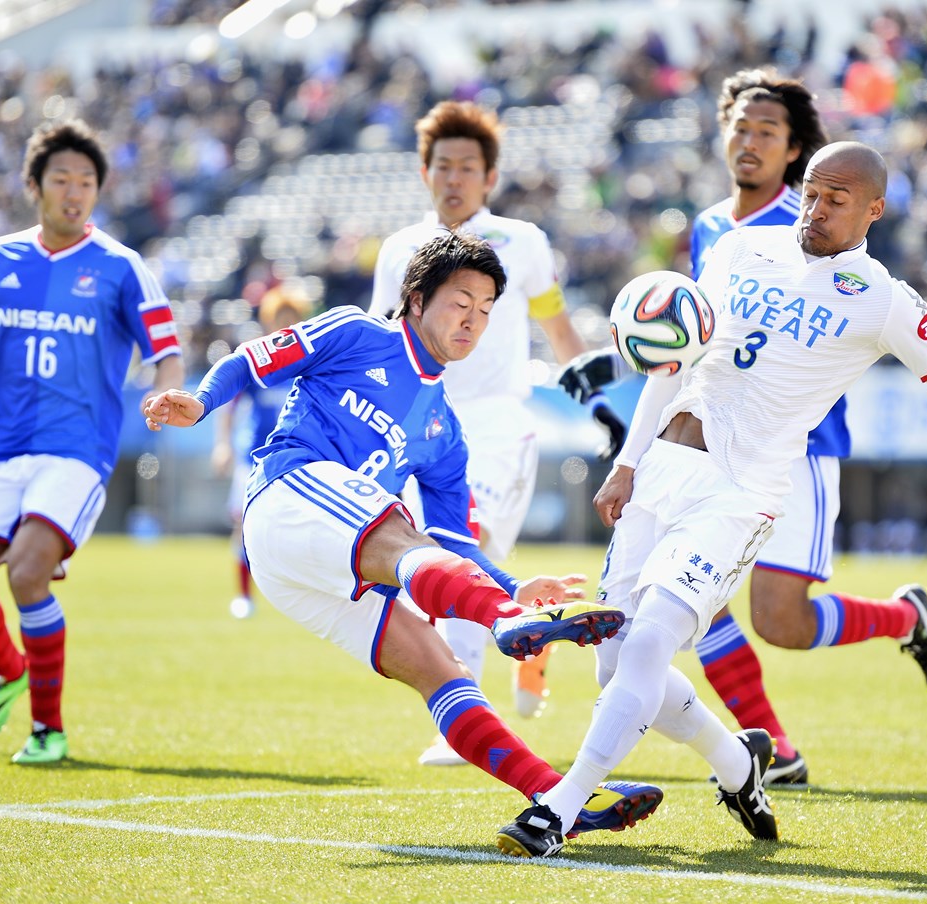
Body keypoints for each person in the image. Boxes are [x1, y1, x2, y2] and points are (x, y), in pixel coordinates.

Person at [496, 141, 927, 858]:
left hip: (739, 495)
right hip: (665, 471)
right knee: (617, 662)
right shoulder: (742, 249)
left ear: (875, 208)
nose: (817, 207)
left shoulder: (882, 301)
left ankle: (557, 808)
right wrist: (628, 460)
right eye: (811, 191)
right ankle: (738, 762)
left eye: (837, 198)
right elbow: (676, 358)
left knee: (649, 642)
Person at [144, 231, 662, 838]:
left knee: (438, 664)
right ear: (416, 299)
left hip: (318, 569)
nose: (473, 322)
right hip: (287, 497)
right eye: (461, 303)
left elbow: (456, 546)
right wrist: (202, 403)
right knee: (396, 527)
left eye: (487, 312)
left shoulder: (445, 432)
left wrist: (515, 587)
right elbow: (251, 360)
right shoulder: (358, 333)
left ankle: (560, 797)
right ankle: (502, 623)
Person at [563, 69, 927, 791]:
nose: (749, 141)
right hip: (708, 450)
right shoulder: (713, 225)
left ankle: (902, 619)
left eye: (767, 132)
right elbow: (692, 340)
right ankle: (773, 748)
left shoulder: (807, 226)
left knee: (781, 620)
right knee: (685, 603)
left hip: (795, 452)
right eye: (739, 127)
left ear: (795, 148)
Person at [0, 119, 185, 764]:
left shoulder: (121, 268)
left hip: (76, 452)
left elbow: (167, 351)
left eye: (86, 182)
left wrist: (167, 392)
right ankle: (11, 669)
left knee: (26, 572)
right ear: (35, 186)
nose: (75, 193)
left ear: (98, 191)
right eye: (61, 180)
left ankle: (48, 728)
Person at [369, 100, 624, 766]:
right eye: (443, 165)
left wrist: (595, 404)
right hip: (423, 430)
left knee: (461, 551)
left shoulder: (523, 242)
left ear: (489, 177)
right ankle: (529, 645)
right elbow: (381, 345)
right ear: (425, 172)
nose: (455, 178)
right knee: (466, 572)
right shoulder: (399, 251)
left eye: (468, 167)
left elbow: (558, 327)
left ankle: (464, 717)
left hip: (498, 423)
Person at [211, 285, 314, 619]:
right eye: (280, 319)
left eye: (292, 318)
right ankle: (243, 596)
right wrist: (223, 444)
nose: (285, 325)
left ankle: (303, 596)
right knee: (242, 523)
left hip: (297, 460)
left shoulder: (308, 363)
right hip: (253, 457)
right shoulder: (260, 361)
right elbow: (228, 407)